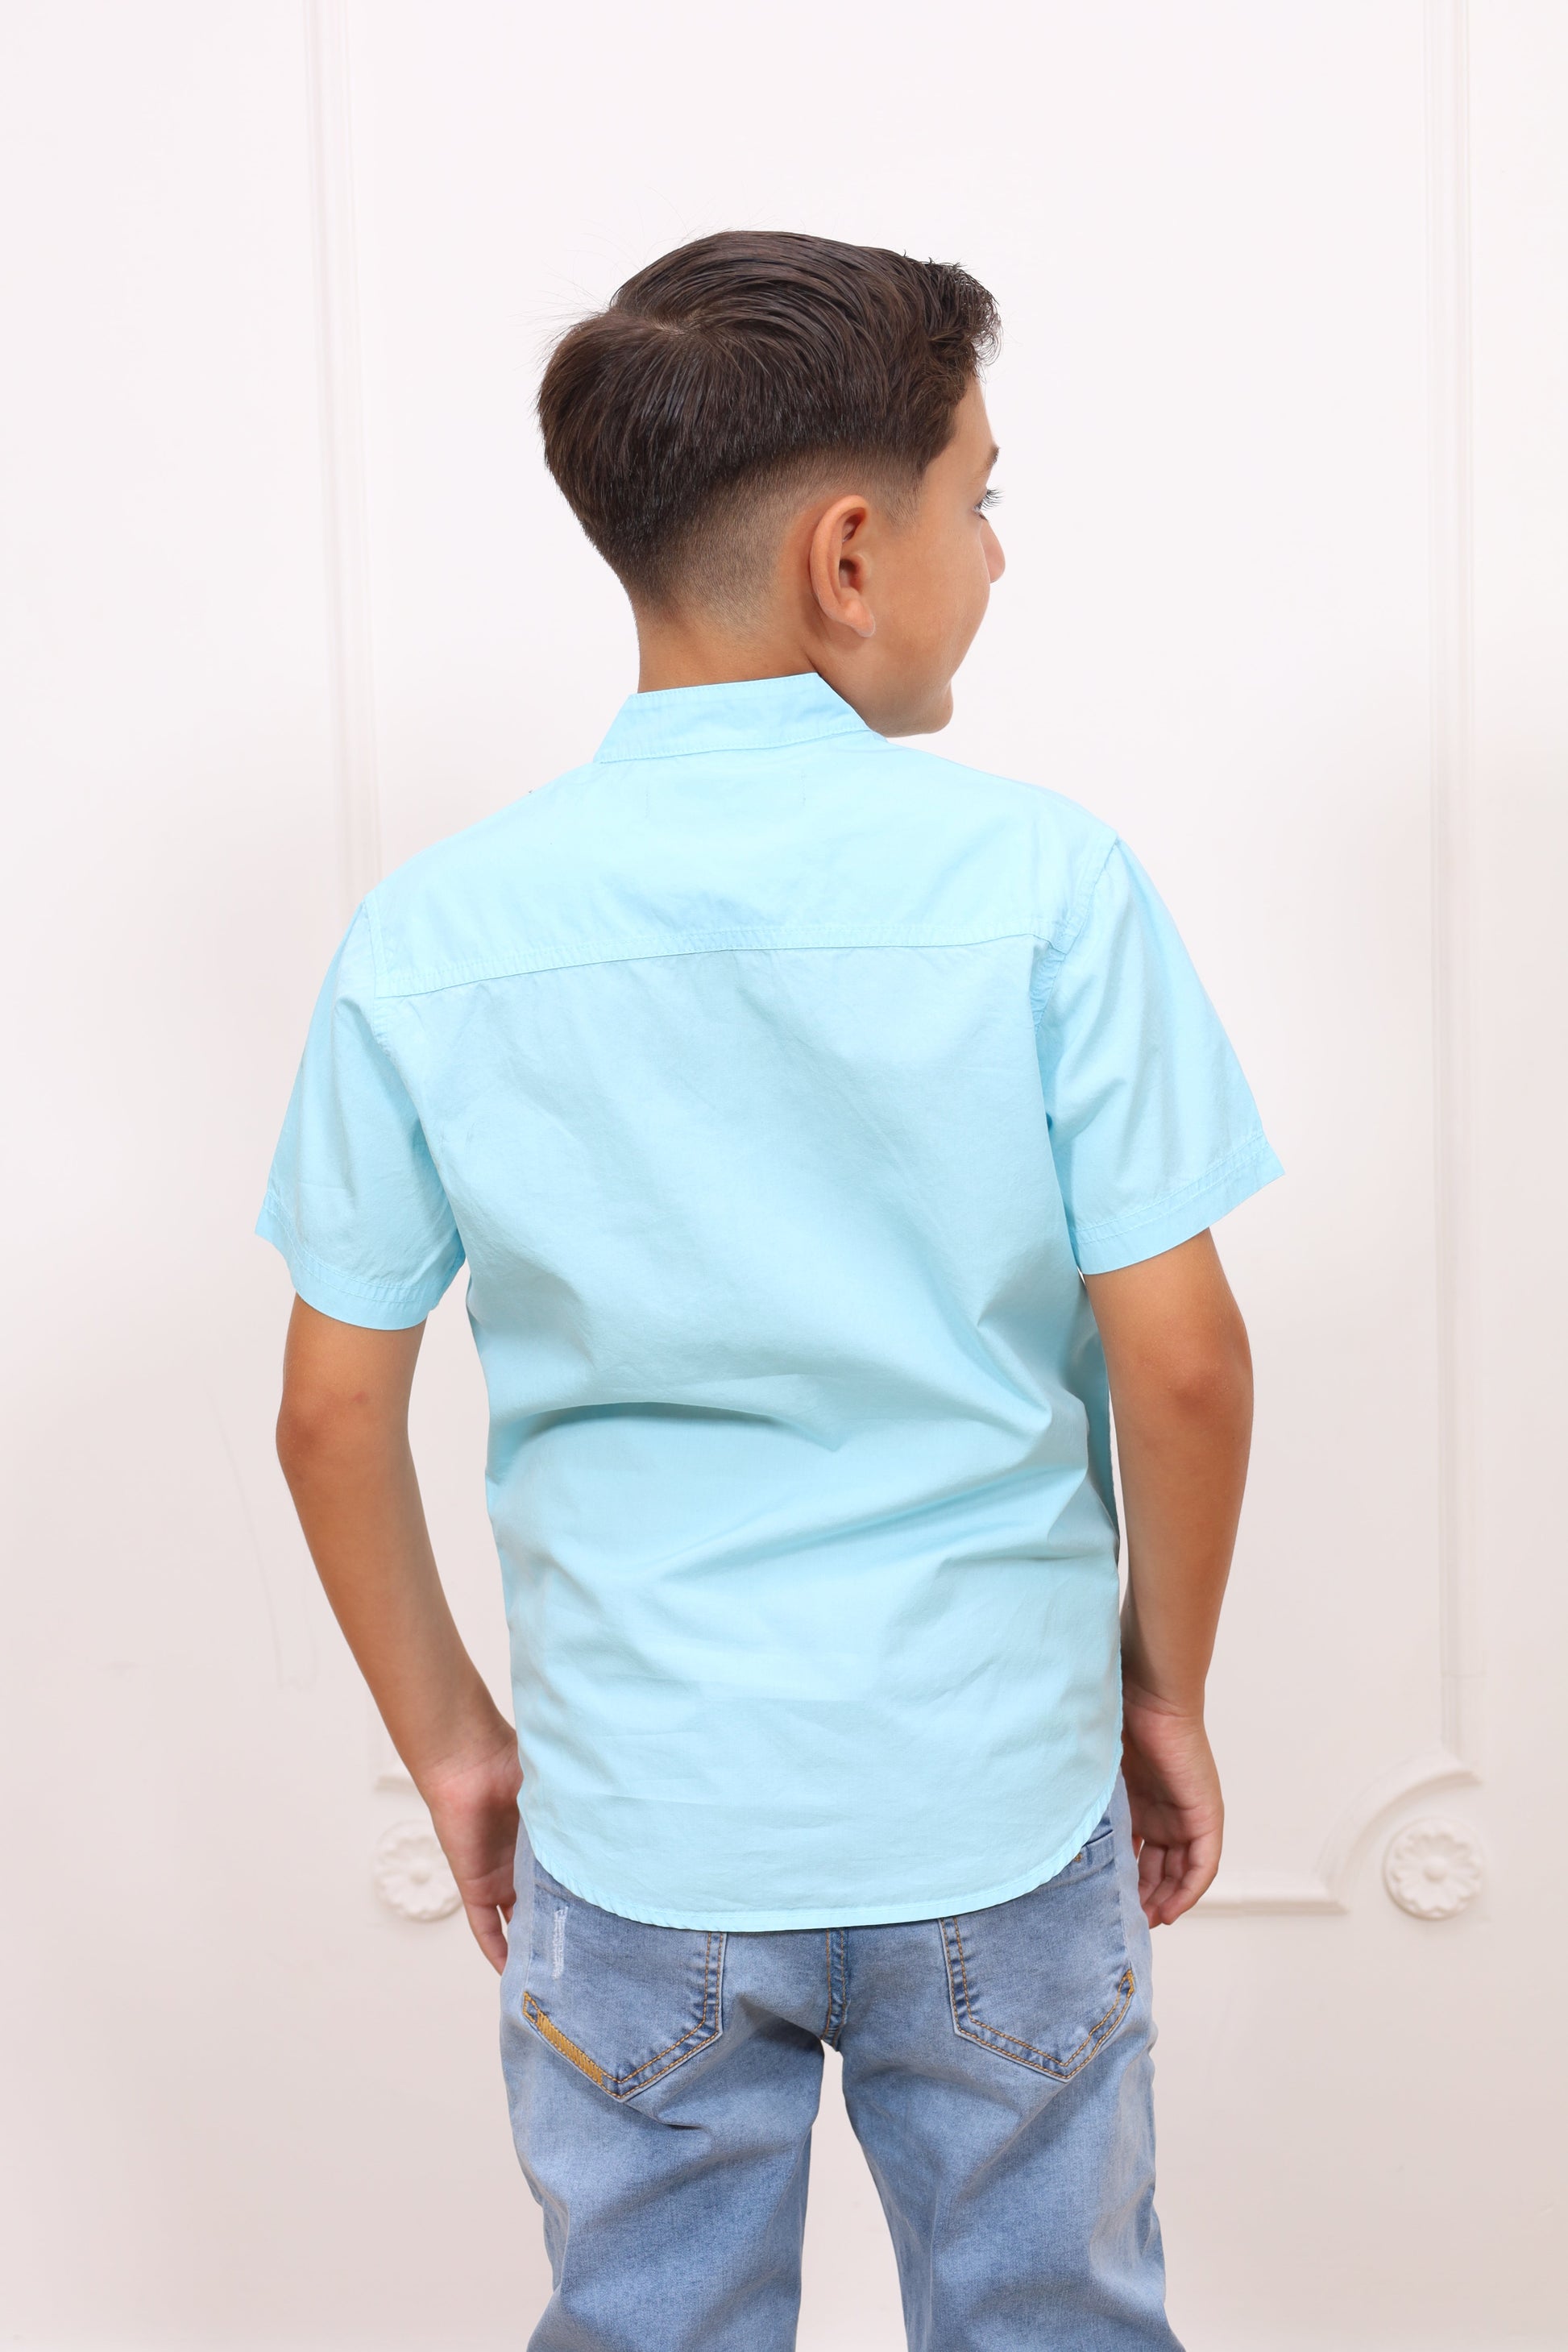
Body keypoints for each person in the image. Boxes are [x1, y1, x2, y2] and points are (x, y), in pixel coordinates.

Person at [261, 230, 1280, 2351]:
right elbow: (1179, 1365)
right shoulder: (1043, 885)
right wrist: (1158, 1690)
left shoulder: (435, 933)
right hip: (996, 1793)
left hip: (639, 1821)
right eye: (978, 498)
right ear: (848, 554)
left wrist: (459, 1754)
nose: (994, 555)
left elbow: (332, 1413)